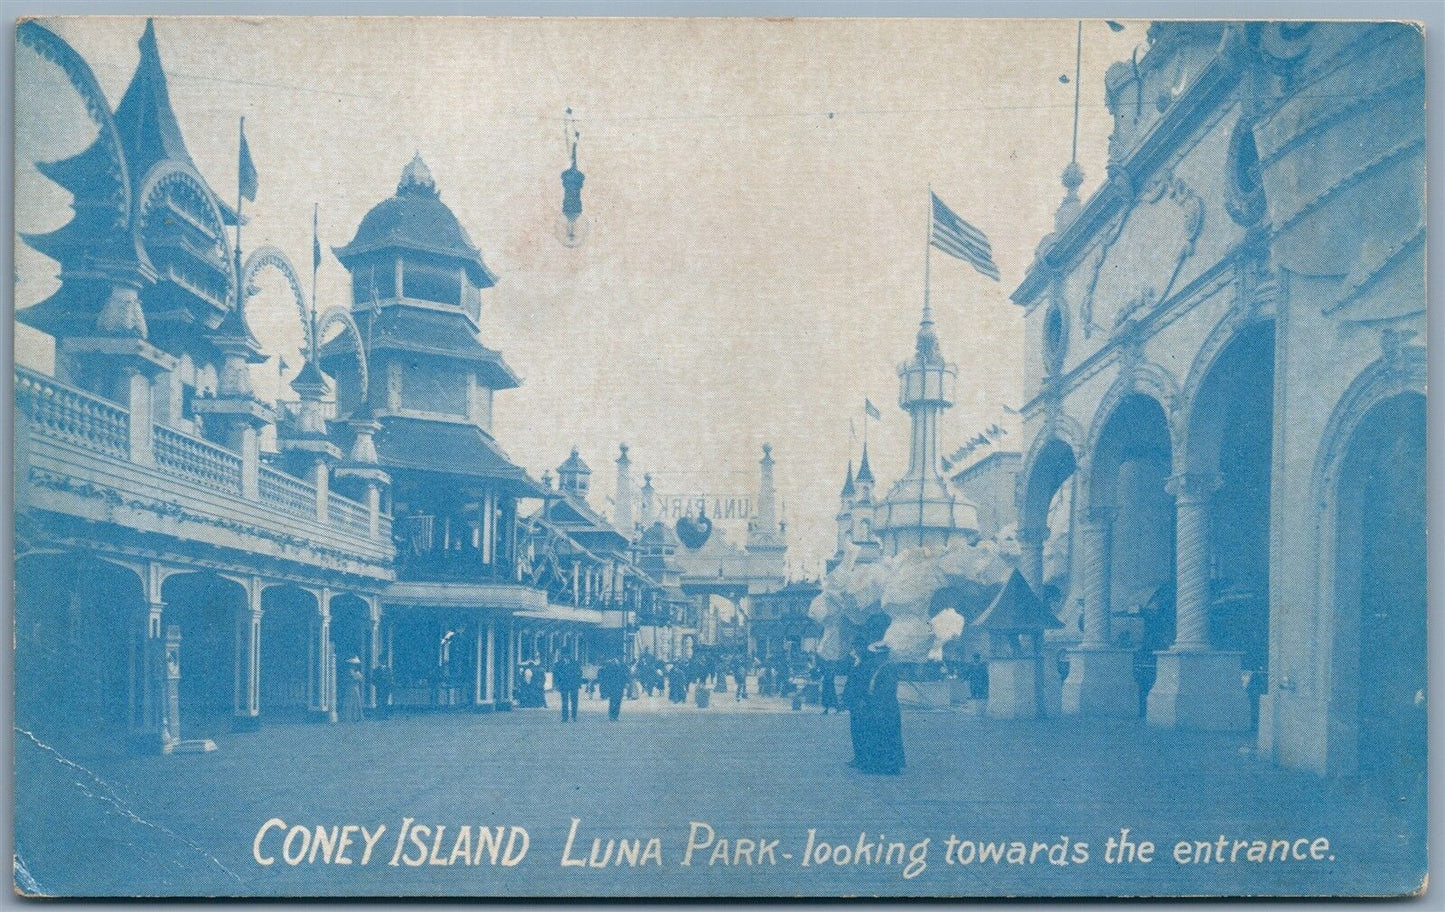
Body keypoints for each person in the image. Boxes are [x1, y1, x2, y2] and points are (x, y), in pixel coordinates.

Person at [846, 613, 905, 775]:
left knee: (887, 736)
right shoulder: (880, 667)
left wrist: (873, 704)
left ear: (884, 655)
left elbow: (886, 690)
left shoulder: (888, 668)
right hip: (878, 707)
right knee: (879, 736)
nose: (876, 658)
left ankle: (890, 766)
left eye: (879, 655)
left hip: (885, 707)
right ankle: (879, 764)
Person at [555, 653, 582, 722]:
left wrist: (578, 683)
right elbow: (556, 675)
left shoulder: (575, 663)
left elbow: (579, 673)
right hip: (564, 685)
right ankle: (565, 717)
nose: (565, 656)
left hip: (574, 684)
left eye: (566, 654)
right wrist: (557, 684)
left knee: (574, 701)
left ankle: (574, 716)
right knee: (564, 702)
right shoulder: (558, 664)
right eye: (564, 654)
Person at [341, 657, 365, 723]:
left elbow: (361, 679)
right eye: (352, 664)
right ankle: (348, 717)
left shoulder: (356, 672)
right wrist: (354, 679)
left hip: (356, 687)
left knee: (356, 702)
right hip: (350, 687)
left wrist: (358, 678)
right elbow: (346, 680)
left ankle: (356, 717)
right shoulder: (348, 671)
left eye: (355, 664)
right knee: (349, 701)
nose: (354, 666)